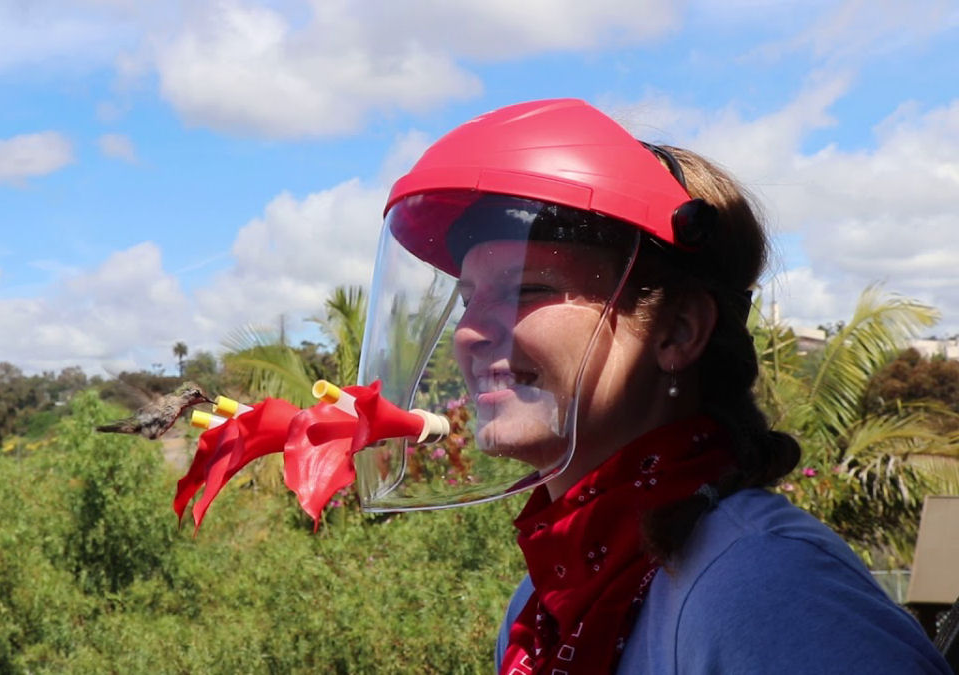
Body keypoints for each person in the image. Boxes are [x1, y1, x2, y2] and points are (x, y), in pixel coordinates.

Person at [352, 99, 950, 673]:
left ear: (678, 330)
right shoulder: (546, 600)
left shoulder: (765, 587)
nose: (470, 333)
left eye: (525, 289)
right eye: (467, 299)